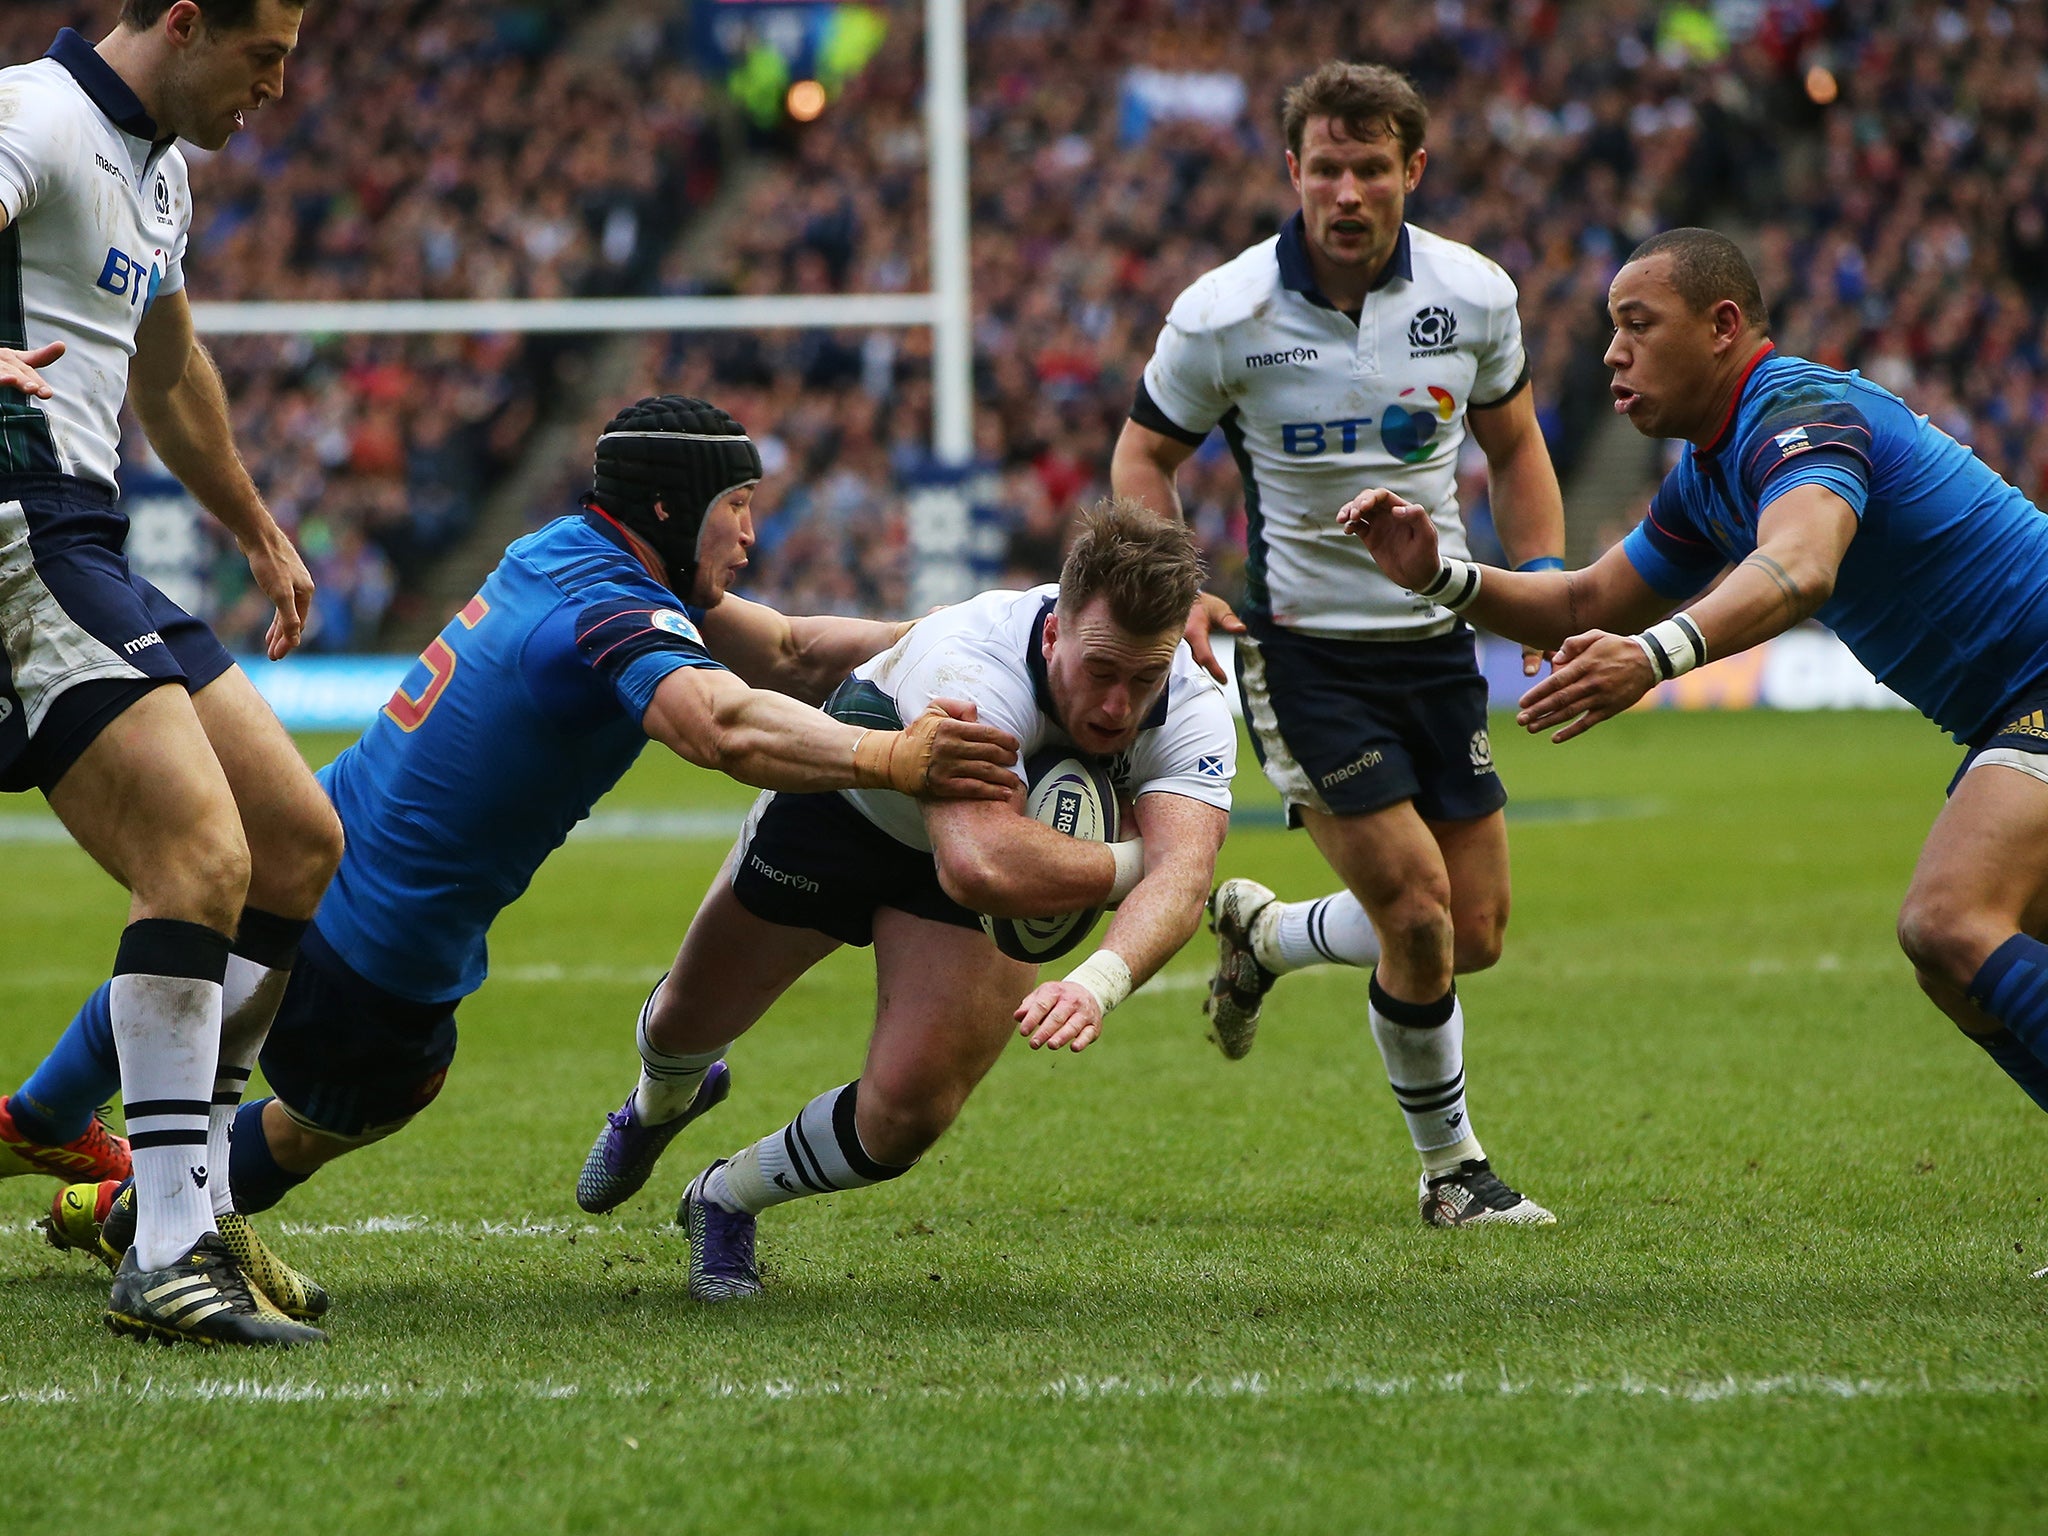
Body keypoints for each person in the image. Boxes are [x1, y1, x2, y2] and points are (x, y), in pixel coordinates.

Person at [31, 394, 1022, 1323]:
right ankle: (143, 1217)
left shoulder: (566, 554)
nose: (751, 536)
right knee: (352, 1107)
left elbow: (800, 651)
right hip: (378, 964)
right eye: (738, 508)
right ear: (674, 509)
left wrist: (976, 639)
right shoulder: (613, 614)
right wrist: (892, 755)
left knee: (196, 944)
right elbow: (715, 725)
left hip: (309, 846)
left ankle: (39, 1112)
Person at [1340, 225, 2048, 1123]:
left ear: (1721, 326)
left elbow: (1800, 567)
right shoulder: (1709, 475)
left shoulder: (1797, 416)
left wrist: (1653, 656)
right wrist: (1440, 574)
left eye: (1638, 324)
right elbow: (1583, 603)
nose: (1611, 352)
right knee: (1965, 972)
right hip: (2014, 709)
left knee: (1950, 921)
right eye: (1610, 328)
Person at [577, 499, 1236, 1301]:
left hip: (990, 859)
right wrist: (1154, 863)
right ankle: (656, 1105)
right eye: (1101, 672)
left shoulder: (1194, 702)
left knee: (906, 1118)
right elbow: (982, 867)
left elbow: (1180, 877)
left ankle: (724, 1197)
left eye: (1144, 678)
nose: (1116, 706)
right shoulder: (971, 664)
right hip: (848, 813)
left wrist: (1100, 979)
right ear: (1055, 632)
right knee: (688, 1021)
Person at [1110, 60, 1562, 1226]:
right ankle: (1451, 1174)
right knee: (1415, 914)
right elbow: (1141, 459)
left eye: (1371, 166)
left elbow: (1514, 451)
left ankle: (1265, 932)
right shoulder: (1221, 315)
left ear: (1411, 169)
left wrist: (1548, 588)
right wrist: (1178, 594)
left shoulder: (1470, 295)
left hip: (1435, 645)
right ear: (1291, 172)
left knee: (1475, 932)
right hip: (1303, 655)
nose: (1346, 189)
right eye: (1325, 166)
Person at [0, 2, 347, 1346]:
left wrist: (257, 530)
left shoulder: (159, 166)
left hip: (89, 526)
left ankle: (180, 1200)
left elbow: (168, 360)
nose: (274, 88)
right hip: (19, 525)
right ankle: (168, 1253)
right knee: (199, 857)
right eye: (263, 57)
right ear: (187, 21)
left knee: (295, 842)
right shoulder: (33, 115)